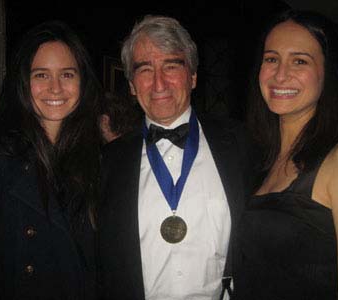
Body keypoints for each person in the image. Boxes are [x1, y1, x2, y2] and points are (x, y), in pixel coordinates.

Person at [97, 15, 254, 299]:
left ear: (193, 76)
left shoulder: (242, 144)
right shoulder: (107, 162)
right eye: (145, 69)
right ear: (132, 85)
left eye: (171, 65)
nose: (159, 83)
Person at [0, 20, 101, 299]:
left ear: (82, 81)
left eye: (67, 74)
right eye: (41, 75)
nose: (56, 88)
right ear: (22, 82)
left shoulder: (95, 158)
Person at [233, 9, 338, 300]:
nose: (280, 74)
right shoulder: (258, 160)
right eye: (271, 59)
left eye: (299, 61)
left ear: (328, 73)